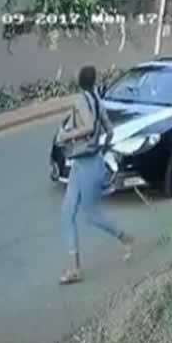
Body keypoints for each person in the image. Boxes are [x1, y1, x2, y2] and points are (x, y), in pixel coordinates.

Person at [54, 65, 134, 285]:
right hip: (84, 163)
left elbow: (88, 126)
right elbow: (109, 130)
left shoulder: (82, 101)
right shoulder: (97, 100)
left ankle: (125, 238)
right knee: (66, 213)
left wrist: (67, 135)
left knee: (91, 215)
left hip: (87, 165)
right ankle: (74, 268)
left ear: (80, 80)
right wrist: (99, 148)